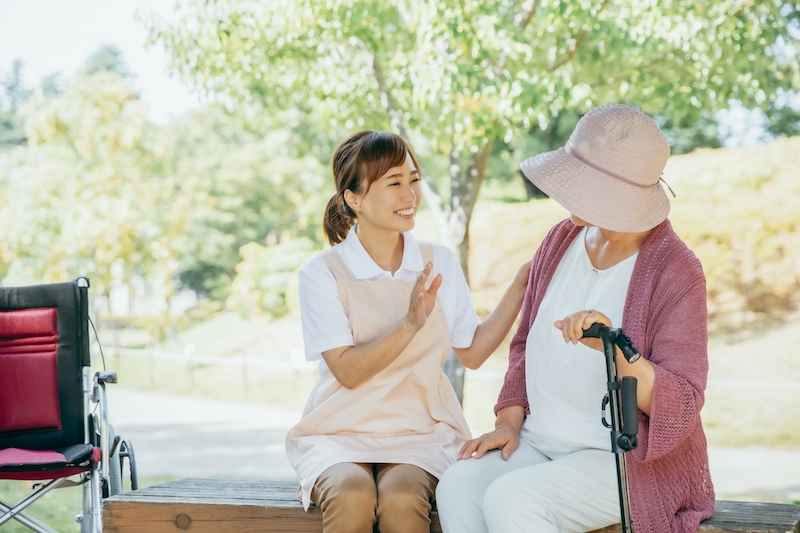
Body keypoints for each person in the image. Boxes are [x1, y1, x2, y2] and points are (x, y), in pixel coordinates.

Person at [436, 104, 716, 533]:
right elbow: (524, 343)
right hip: (540, 442)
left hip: (623, 462)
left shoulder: (675, 270)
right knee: (458, 484)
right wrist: (509, 423)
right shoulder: (559, 239)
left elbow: (682, 403)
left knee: (514, 500)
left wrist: (614, 345)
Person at [285, 131, 530, 533]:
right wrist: (410, 323)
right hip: (338, 430)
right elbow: (348, 372)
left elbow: (472, 350)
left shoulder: (438, 261)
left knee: (401, 500)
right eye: (394, 183)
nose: (410, 194)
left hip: (421, 430)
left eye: (414, 179)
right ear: (354, 198)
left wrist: (520, 285)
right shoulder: (323, 272)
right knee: (350, 495)